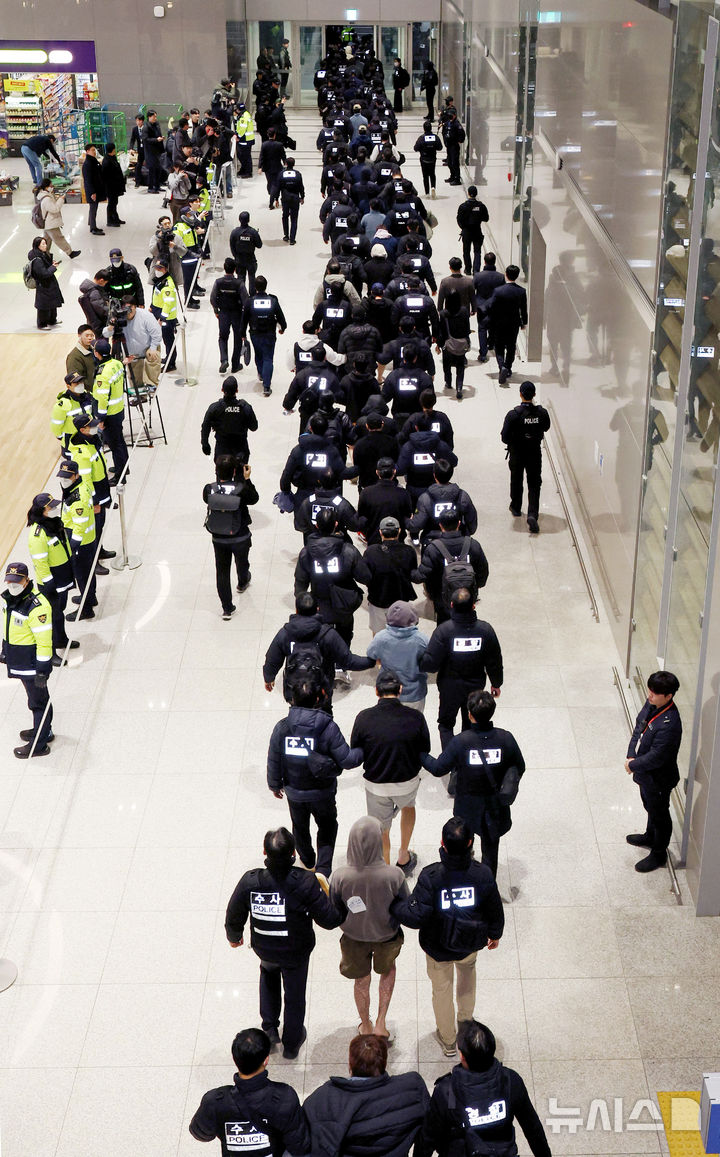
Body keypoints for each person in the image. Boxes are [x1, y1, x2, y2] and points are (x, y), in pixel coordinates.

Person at [225, 827, 345, 1059]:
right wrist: (342, 905)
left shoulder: (251, 881)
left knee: (268, 977)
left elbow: (234, 911)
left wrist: (234, 935)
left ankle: (269, 1029)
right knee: (295, 994)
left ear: (264, 852)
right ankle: (292, 1042)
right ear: (293, 854)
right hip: (295, 952)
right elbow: (329, 920)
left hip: (265, 948)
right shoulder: (306, 882)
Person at [391, 818, 504, 1056]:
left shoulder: (432, 877)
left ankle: (448, 1039)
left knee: (441, 990)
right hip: (469, 945)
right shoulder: (482, 874)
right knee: (467, 980)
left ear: (442, 843)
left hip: (437, 947)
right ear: (471, 843)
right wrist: (494, 934)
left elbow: (417, 916)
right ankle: (466, 1025)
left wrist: (395, 907)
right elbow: (494, 909)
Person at [413, 1020, 552, 1157]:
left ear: (462, 1056)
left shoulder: (446, 1091)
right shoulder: (510, 1081)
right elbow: (533, 1129)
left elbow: (428, 1138)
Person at [267, 679, 362, 876]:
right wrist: (364, 748)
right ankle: (323, 870)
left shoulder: (282, 728)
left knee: (300, 826)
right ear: (319, 699)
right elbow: (347, 760)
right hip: (323, 792)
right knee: (327, 826)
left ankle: (307, 860)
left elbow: (274, 758)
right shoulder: (328, 728)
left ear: (292, 699)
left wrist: (274, 785)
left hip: (294, 792)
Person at [423, 690, 525, 874]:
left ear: (469, 715)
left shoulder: (460, 742)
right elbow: (519, 767)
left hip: (466, 805)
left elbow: (438, 768)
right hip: (494, 807)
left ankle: (463, 876)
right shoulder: (505, 739)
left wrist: (419, 755)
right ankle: (486, 884)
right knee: (491, 852)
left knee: (461, 845)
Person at [330, 818, 409, 1039]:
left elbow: (333, 907)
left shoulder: (340, 876)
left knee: (361, 980)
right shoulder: (395, 875)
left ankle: (365, 1024)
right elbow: (406, 904)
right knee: (388, 970)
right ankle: (381, 1022)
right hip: (387, 935)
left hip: (354, 937)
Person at [351, 670, 431, 874]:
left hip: (376, 784)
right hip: (407, 781)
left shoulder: (363, 718)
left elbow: (356, 749)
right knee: (409, 807)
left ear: (377, 691)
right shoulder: (416, 717)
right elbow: (425, 748)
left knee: (382, 829)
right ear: (401, 690)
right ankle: (403, 855)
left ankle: (386, 869)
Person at [189, 1028, 311, 1157]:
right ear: (266, 1060)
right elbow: (299, 1145)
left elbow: (200, 1134)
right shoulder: (285, 1097)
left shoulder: (214, 1101)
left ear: (234, 1058)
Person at [304, 1033, 429, 1155]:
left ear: (350, 1064)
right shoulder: (413, 1087)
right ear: (384, 1062)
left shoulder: (323, 1099)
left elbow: (311, 1143)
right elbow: (429, 1131)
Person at [420, 588, 503, 750]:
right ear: (473, 606)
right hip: (475, 686)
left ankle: (452, 761)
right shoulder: (485, 631)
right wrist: (496, 683)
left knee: (445, 724)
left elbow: (431, 664)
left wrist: (418, 659)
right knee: (471, 723)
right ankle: (466, 756)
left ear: (451, 605)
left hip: (449, 686)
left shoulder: (443, 631)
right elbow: (494, 660)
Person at [263, 592, 374, 709]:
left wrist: (269, 678)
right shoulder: (328, 635)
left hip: (295, 691)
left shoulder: (285, 633)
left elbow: (272, 659)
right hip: (321, 689)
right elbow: (348, 661)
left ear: (296, 610)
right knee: (324, 717)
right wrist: (372, 661)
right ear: (317, 609)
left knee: (298, 715)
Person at [625, 670, 682, 873]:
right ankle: (650, 836)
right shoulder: (654, 703)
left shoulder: (670, 725)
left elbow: (657, 757)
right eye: (650, 691)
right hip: (645, 774)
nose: (649, 696)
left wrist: (632, 765)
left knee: (660, 815)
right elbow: (640, 725)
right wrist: (631, 753)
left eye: (655, 693)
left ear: (669, 696)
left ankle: (659, 853)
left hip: (659, 778)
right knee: (649, 805)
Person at [1, 561, 54, 759]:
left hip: (31, 664)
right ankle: (43, 731)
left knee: (38, 702)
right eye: (9, 581)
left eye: (17, 582)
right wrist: (5, 650)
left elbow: (44, 640)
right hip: (19, 660)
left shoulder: (37, 607)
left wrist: (42, 669)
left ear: (27, 581)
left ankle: (38, 745)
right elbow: (8, 627)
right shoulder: (10, 600)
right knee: (38, 699)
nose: (12, 586)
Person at [27, 493, 80, 665]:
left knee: (59, 612)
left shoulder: (53, 523)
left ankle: (61, 640)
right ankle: (50, 653)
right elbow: (40, 562)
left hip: (63, 577)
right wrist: (49, 583)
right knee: (50, 617)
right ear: (43, 510)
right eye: (52, 507)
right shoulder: (37, 535)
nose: (55, 509)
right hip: (52, 582)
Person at [203, 454, 259, 619]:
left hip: (219, 538)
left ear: (216, 471)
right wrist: (247, 479)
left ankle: (227, 608)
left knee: (221, 571)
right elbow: (254, 499)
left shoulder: (209, 489)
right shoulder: (241, 489)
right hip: (240, 536)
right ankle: (242, 581)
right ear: (235, 471)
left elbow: (207, 500)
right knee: (242, 562)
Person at [412, 511, 489, 625]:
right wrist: (474, 587)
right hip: (467, 597)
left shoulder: (433, 549)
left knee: (444, 630)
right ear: (459, 523)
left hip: (442, 600)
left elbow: (421, 576)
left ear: (440, 525)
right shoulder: (473, 545)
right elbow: (483, 571)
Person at [501, 380, 551, 534]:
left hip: (517, 453)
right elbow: (546, 427)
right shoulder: (542, 413)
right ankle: (532, 514)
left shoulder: (513, 415)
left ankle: (516, 507)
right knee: (534, 483)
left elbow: (504, 437)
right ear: (534, 394)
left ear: (520, 394)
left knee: (516, 480)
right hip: (534, 453)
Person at [367, 600, 429, 712]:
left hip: (388, 692)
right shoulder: (421, 640)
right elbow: (430, 660)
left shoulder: (381, 638)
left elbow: (371, 654)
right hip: (414, 694)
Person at [57, 458, 97, 622]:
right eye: (62, 476)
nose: (64, 480)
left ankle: (87, 609)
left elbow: (79, 526)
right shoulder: (77, 486)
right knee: (88, 573)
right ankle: (90, 597)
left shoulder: (77, 498)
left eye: (68, 477)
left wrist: (73, 546)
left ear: (76, 475)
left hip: (81, 542)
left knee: (82, 575)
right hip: (87, 539)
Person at [363, 520, 417, 636]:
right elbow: (412, 573)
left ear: (380, 533)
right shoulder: (409, 551)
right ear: (399, 531)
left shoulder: (371, 552)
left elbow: (365, 576)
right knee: (403, 635)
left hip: (378, 600)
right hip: (401, 602)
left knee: (378, 636)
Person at [408, 460, 477, 549]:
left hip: (432, 542)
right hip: (458, 541)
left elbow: (416, 525)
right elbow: (472, 524)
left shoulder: (425, 499)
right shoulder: (462, 496)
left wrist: (406, 521)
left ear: (434, 475)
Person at [240, 275, 287, 397]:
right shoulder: (273, 301)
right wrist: (283, 328)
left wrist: (243, 334)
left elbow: (244, 320)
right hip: (269, 334)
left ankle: (261, 373)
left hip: (255, 334)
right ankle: (266, 386)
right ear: (266, 286)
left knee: (259, 354)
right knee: (268, 358)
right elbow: (281, 318)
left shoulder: (250, 301)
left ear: (255, 287)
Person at [91, 338, 127, 483]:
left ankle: (120, 476)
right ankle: (125, 467)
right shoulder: (117, 363)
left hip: (110, 415)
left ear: (97, 353)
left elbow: (102, 398)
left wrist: (100, 419)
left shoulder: (102, 374)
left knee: (115, 445)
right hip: (119, 410)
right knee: (120, 440)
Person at [357, 458, 414, 545]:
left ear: (377, 472)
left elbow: (361, 517)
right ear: (394, 472)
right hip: (398, 541)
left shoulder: (366, 493)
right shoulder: (404, 494)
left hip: (374, 541)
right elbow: (408, 516)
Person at [487, 264, 527, 385]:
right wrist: (524, 322)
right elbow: (523, 310)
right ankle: (508, 367)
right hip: (514, 323)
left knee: (499, 346)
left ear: (506, 274)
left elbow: (491, 307)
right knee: (511, 346)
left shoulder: (498, 291)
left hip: (499, 323)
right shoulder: (521, 291)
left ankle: (502, 367)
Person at [201, 377, 258, 463]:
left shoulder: (215, 408)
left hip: (222, 451)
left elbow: (205, 426)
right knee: (241, 476)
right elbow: (254, 427)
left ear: (222, 390)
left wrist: (205, 444)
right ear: (237, 390)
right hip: (240, 451)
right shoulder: (245, 408)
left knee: (223, 475)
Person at [211, 257, 248, 373]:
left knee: (222, 338)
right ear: (235, 269)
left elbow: (212, 298)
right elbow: (246, 301)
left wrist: (216, 311)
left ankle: (224, 360)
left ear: (224, 268)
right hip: (237, 314)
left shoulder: (218, 282)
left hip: (223, 314)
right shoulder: (239, 283)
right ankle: (235, 364)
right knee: (238, 339)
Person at [438, 290, 472, 400]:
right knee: (460, 365)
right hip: (461, 344)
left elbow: (441, 331)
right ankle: (459, 388)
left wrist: (439, 344)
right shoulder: (464, 311)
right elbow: (467, 328)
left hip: (447, 344)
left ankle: (448, 382)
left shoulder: (443, 313)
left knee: (446, 364)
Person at [35, 178, 80, 259]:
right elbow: (54, 209)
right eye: (51, 186)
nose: (52, 187)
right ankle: (70, 253)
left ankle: (44, 255)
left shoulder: (44, 195)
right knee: (59, 239)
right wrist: (61, 200)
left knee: (46, 241)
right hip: (51, 223)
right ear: (46, 187)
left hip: (47, 223)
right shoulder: (46, 198)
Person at [473, 252, 505, 362]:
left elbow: (473, 292)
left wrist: (473, 307)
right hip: (495, 307)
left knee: (482, 329)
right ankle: (491, 345)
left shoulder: (478, 276)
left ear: (484, 262)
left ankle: (483, 354)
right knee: (494, 328)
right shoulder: (501, 277)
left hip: (481, 307)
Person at [149, 259, 179, 372]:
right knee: (166, 340)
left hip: (166, 317)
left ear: (166, 269)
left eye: (160, 268)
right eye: (156, 268)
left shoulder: (167, 285)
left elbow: (168, 303)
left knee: (168, 340)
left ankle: (171, 363)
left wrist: (162, 318)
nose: (157, 270)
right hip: (158, 312)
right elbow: (156, 295)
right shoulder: (160, 280)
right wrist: (152, 306)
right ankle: (168, 357)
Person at [27, 236, 63, 329]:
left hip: (49, 284)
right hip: (44, 285)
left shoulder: (42, 254)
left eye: (45, 243)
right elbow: (44, 274)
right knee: (44, 305)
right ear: (37, 246)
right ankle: (42, 324)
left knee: (52, 302)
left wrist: (51, 263)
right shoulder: (37, 260)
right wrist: (53, 267)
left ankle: (52, 320)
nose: (45, 245)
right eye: (43, 244)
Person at [456, 187, 489, 276]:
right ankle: (476, 270)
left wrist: (463, 228)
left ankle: (467, 269)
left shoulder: (463, 206)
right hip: (477, 231)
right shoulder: (481, 206)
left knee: (466, 251)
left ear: (468, 193)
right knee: (477, 251)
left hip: (466, 232)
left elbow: (459, 220)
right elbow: (486, 218)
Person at [229, 211, 263, 294]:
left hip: (239, 260)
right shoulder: (253, 232)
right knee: (252, 279)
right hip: (250, 259)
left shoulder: (235, 232)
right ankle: (252, 296)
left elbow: (232, 246)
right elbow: (259, 245)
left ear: (239, 219)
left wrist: (236, 257)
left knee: (240, 280)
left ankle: (241, 297)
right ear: (249, 220)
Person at [258, 128, 287, 209]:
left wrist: (260, 167)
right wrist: (285, 162)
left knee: (271, 184)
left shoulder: (264, 144)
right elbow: (283, 155)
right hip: (277, 167)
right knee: (276, 184)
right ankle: (275, 198)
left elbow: (262, 157)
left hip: (267, 168)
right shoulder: (279, 145)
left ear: (268, 135)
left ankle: (272, 198)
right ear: (275, 135)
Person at [278, 157, 304, 244]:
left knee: (285, 216)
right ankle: (292, 239)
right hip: (295, 198)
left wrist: (276, 198)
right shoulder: (298, 174)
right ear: (294, 164)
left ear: (285, 164)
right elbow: (301, 186)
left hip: (285, 198)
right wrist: (302, 197)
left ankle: (286, 235)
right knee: (294, 219)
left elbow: (278, 187)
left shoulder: (281, 174)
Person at [81, 143, 106, 235]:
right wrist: (92, 192)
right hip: (92, 190)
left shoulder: (93, 161)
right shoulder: (87, 164)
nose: (94, 152)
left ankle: (91, 223)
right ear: (87, 151)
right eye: (92, 150)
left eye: (94, 150)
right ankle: (93, 228)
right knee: (93, 208)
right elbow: (88, 180)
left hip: (96, 188)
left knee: (94, 207)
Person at [101, 142, 126, 227]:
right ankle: (110, 220)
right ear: (113, 149)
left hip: (115, 186)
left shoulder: (112, 158)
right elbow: (105, 175)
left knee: (115, 202)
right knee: (111, 203)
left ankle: (116, 218)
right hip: (110, 187)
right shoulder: (106, 161)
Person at [78, 270, 109, 335]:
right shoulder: (95, 292)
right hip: (99, 323)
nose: (104, 285)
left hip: (92, 320)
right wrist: (110, 312)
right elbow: (100, 308)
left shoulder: (89, 288)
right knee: (102, 341)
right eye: (105, 283)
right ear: (101, 280)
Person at [66, 324, 97, 389]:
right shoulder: (74, 357)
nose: (90, 338)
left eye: (92, 336)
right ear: (79, 335)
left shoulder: (94, 351)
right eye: (87, 335)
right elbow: (75, 380)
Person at [142, 109, 165, 193]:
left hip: (157, 151)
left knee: (158, 169)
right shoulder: (146, 127)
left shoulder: (156, 124)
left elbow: (157, 134)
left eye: (156, 116)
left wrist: (160, 138)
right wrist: (156, 140)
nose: (155, 118)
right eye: (154, 116)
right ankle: (150, 187)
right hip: (150, 152)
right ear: (149, 117)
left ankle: (157, 186)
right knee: (152, 170)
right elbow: (145, 139)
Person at [444, 110, 465, 187]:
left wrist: (460, 140)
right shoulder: (448, 122)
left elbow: (462, 133)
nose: (450, 116)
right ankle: (452, 176)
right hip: (449, 145)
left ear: (454, 115)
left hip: (454, 146)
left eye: (451, 115)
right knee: (449, 162)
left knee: (455, 163)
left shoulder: (457, 124)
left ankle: (457, 179)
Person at [235, 104, 256, 178]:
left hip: (246, 140)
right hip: (245, 139)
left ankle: (248, 172)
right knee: (242, 156)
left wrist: (238, 136)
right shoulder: (244, 114)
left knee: (246, 157)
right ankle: (243, 169)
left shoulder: (244, 116)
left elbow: (243, 128)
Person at [129, 113, 145, 186]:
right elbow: (132, 140)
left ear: (142, 121)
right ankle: (137, 181)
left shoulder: (146, 128)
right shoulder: (135, 129)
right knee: (138, 165)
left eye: (139, 120)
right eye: (136, 121)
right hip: (140, 150)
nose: (137, 122)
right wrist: (131, 148)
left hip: (147, 149)